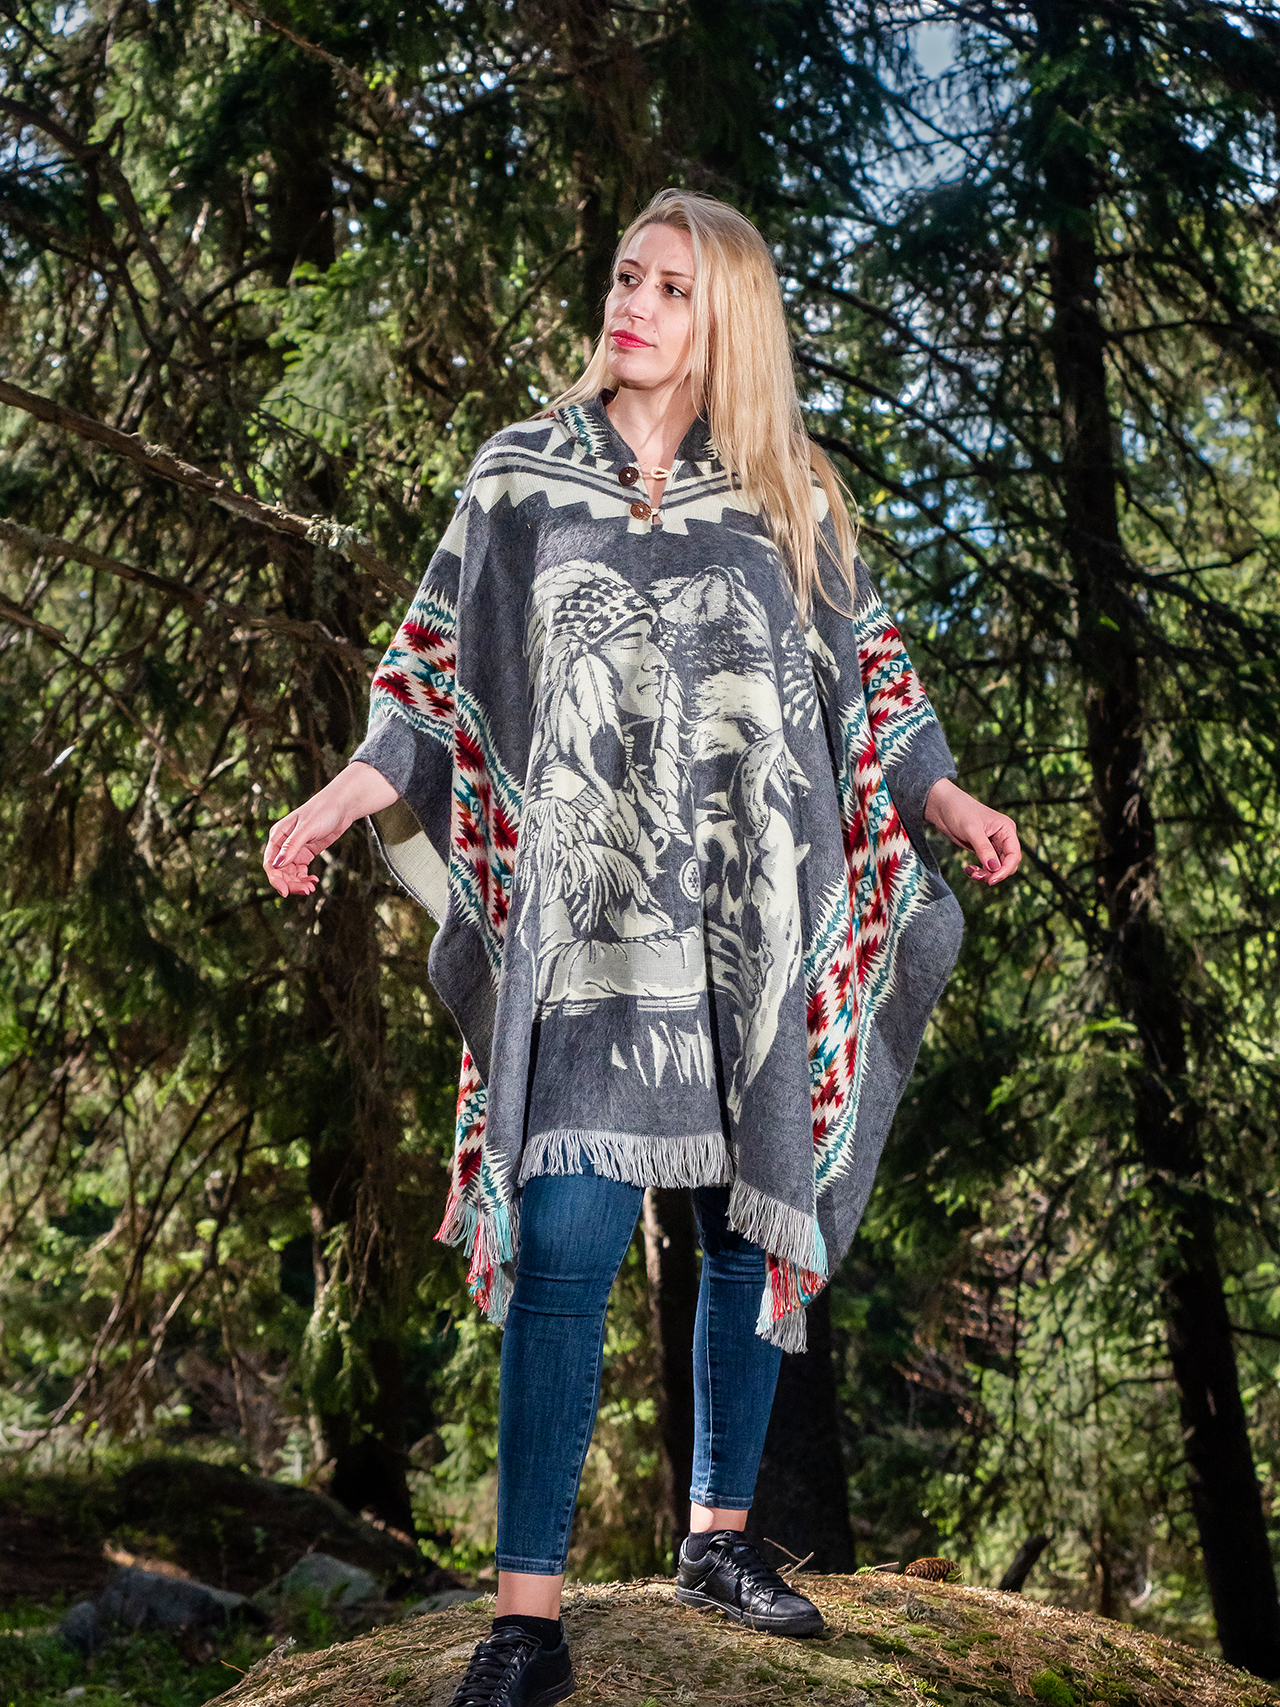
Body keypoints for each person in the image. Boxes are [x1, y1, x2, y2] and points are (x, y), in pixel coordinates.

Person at [263, 189, 1020, 1707]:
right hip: (587, 934)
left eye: (674, 287)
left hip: (747, 915)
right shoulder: (519, 477)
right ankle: (526, 1620)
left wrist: (942, 795)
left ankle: (720, 1539)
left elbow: (871, 681)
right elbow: (427, 670)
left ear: (725, 317)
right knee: (563, 1241)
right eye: (626, 276)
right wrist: (345, 796)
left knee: (747, 1218)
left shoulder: (786, 495)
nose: (636, 305)